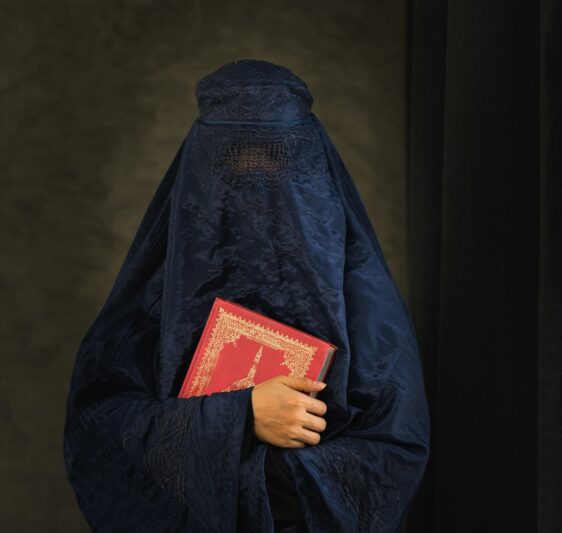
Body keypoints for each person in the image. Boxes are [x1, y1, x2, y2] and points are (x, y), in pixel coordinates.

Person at [62, 59, 430, 533]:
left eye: (275, 156)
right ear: (201, 166)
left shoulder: (362, 299)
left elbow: (394, 453)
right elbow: (97, 437)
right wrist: (241, 417)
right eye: (235, 155)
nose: (255, 171)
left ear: (310, 168)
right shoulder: (154, 293)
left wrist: (243, 463)